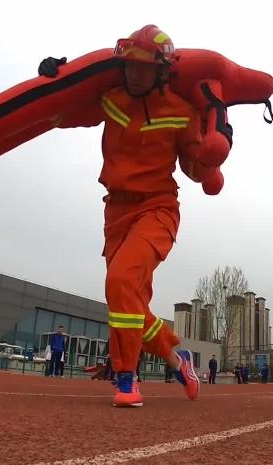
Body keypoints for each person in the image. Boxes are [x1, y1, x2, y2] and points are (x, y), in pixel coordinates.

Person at [38, 25, 203, 408]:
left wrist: (211, 157)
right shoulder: (111, 99)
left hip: (158, 208)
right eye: (129, 66)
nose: (134, 73)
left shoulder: (182, 113)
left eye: (143, 67)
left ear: (162, 70)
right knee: (126, 299)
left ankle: (126, 379)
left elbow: (194, 170)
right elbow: (66, 113)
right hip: (115, 210)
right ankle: (178, 359)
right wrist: (53, 79)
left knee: (121, 280)